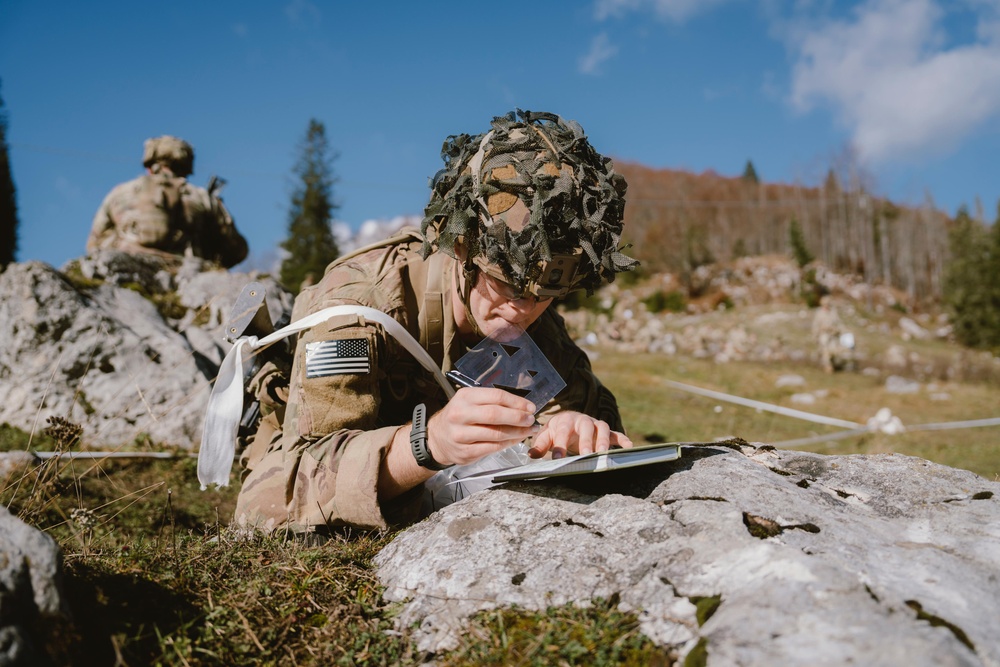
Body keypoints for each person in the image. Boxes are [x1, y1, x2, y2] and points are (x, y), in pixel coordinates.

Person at [235, 110, 638, 533]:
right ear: (458, 247)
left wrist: (574, 430)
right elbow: (273, 494)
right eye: (506, 285)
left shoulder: (533, 318)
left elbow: (600, 427)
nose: (522, 312)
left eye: (545, 296)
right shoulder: (361, 307)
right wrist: (430, 444)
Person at [87, 135, 248, 268]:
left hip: (124, 266)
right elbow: (236, 249)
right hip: (187, 272)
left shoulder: (119, 193)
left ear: (149, 165)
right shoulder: (202, 197)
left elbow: (94, 243)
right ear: (186, 167)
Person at [812, 295, 842, 373]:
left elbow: (839, 324)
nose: (827, 305)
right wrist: (816, 335)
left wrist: (837, 330)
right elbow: (815, 325)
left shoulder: (833, 313)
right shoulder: (819, 313)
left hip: (833, 335)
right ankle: (827, 366)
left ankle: (833, 364)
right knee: (825, 351)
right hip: (823, 334)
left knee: (834, 351)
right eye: (825, 304)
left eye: (828, 304)